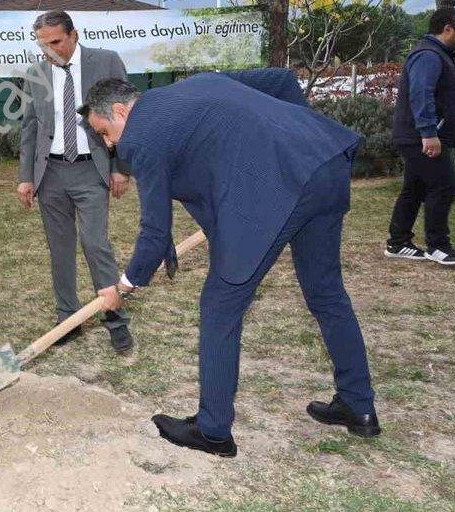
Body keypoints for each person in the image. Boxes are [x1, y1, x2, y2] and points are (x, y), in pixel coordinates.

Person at [80, 72, 380, 458]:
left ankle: (213, 430)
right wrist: (296, 143)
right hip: (323, 162)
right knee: (326, 292)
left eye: (105, 132)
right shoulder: (193, 86)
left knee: (220, 307)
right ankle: (359, 405)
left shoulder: (140, 138)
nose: (109, 144)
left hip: (278, 188)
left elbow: (155, 231)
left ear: (121, 111)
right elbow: (282, 81)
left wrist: (123, 287)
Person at [15, 10, 134, 355]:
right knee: (60, 249)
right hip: (50, 173)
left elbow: (128, 116)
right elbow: (29, 129)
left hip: (91, 170)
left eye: (55, 42)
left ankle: (115, 319)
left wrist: (120, 167)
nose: (49, 50)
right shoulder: (36, 73)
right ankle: (68, 319)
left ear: (74, 35)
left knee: (96, 243)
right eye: (42, 44)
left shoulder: (106, 62)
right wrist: (26, 177)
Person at [386, 8, 455, 266]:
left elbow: (451, 100)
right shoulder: (428, 55)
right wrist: (428, 133)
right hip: (419, 138)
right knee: (444, 184)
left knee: (414, 188)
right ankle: (438, 246)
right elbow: (421, 94)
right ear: (448, 29)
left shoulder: (444, 56)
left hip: (425, 136)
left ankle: (398, 242)